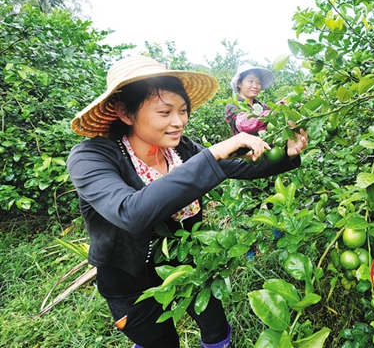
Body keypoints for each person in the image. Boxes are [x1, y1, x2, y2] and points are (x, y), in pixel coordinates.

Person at [67, 56, 308, 348]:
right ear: (125, 113)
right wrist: (213, 154)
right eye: (164, 112)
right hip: (130, 282)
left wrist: (288, 154)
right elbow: (131, 212)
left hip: (188, 263)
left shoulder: (179, 148)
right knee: (160, 341)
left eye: (182, 110)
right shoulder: (92, 157)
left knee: (216, 328)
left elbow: (235, 166)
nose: (178, 122)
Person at [224, 63, 274, 136]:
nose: (255, 86)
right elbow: (244, 124)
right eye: (250, 81)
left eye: (258, 82)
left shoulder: (263, 107)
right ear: (239, 83)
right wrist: (271, 114)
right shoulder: (232, 106)